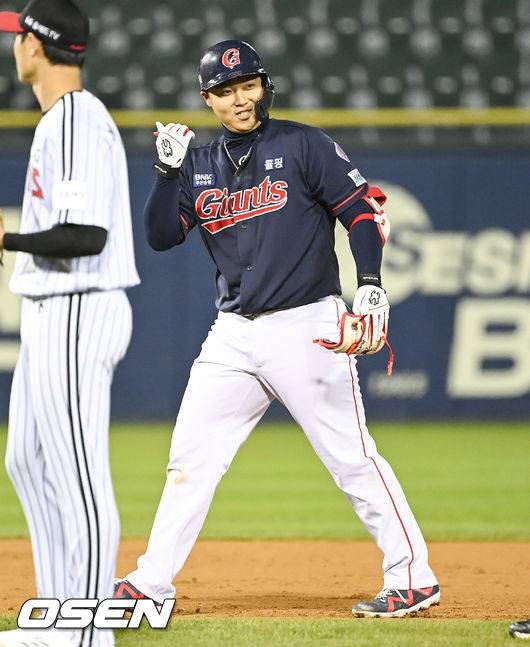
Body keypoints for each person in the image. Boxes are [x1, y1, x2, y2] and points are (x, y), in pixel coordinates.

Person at [114, 39, 439, 619]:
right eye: (226, 91)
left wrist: (370, 284)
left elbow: (361, 211)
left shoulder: (302, 143)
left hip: (307, 323)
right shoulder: (199, 164)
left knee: (351, 458)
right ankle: (150, 583)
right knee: (189, 460)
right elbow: (161, 237)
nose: (241, 98)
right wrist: (165, 174)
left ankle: (413, 576)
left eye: (249, 85)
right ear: (207, 99)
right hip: (232, 334)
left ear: (264, 86)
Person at [0, 0, 140, 645]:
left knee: (79, 478)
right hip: (53, 308)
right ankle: (58, 618)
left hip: (80, 305)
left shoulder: (78, 119)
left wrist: (8, 239)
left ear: (36, 45)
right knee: (27, 460)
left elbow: (86, 236)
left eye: (17, 36)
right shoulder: (60, 119)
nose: (13, 46)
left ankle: (86, 633)